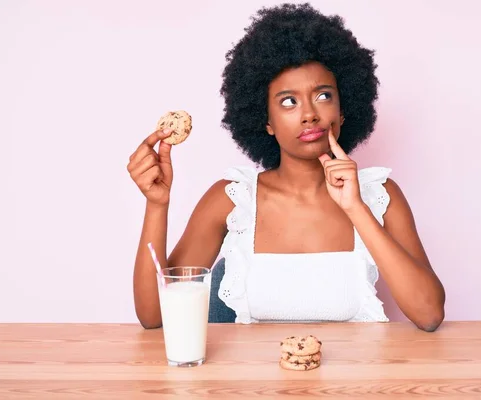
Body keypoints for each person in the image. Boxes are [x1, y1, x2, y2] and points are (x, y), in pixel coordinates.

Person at [127, 3, 445, 331]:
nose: (309, 113)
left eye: (323, 96)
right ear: (266, 122)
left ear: (343, 109)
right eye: (288, 101)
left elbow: (430, 314)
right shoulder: (234, 198)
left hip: (354, 379)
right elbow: (154, 317)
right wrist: (156, 204)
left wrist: (356, 208)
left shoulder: (380, 195)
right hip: (257, 382)